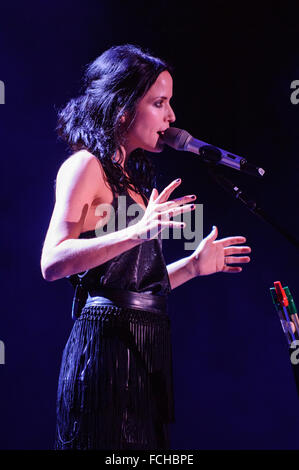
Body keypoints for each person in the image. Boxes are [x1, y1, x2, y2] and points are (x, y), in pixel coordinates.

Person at [40, 44, 251, 450]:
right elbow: (52, 261)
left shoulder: (129, 180)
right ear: (122, 107)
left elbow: (128, 285)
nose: (171, 117)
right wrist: (137, 231)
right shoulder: (86, 166)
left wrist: (191, 266)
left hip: (143, 347)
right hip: (106, 351)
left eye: (169, 103)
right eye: (159, 103)